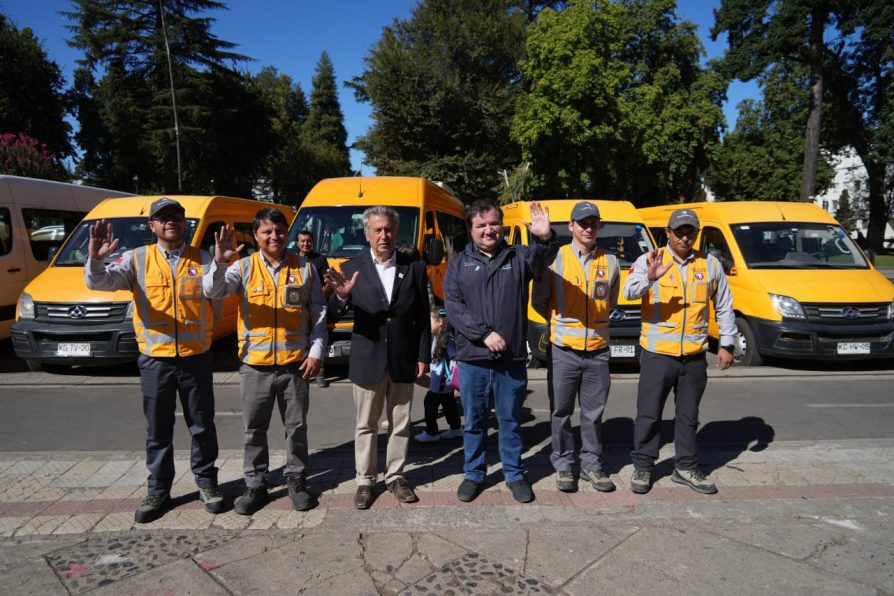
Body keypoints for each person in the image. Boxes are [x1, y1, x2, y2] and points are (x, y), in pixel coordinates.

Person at [85, 197, 223, 523]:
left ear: (185, 222)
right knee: (158, 430)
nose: (170, 221)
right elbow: (99, 282)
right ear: (152, 226)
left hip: (196, 358)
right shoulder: (136, 259)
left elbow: (216, 292)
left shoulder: (203, 258)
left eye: (175, 216)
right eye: (162, 217)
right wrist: (95, 259)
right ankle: (159, 489)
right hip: (155, 360)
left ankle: (207, 484)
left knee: (202, 426)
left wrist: (219, 264)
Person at [204, 208, 327, 514]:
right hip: (254, 365)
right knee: (253, 429)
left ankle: (296, 479)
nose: (274, 236)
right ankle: (256, 484)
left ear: (288, 232)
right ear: (256, 235)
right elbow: (213, 290)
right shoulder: (241, 268)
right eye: (267, 231)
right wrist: (219, 262)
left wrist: (316, 352)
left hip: (295, 364)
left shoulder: (305, 268)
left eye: (280, 230)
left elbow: (320, 313)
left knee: (296, 428)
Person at [443, 200, 557, 504]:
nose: (488, 230)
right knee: (474, 421)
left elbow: (544, 258)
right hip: (472, 358)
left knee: (509, 420)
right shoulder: (458, 263)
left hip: (511, 359)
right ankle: (474, 473)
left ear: (502, 226)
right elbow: (453, 307)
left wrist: (544, 237)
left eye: (493, 223)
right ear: (471, 229)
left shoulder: (519, 256)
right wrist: (483, 334)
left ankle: (515, 473)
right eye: (481, 225)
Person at [623, 208, 736, 495]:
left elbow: (723, 305)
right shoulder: (649, 259)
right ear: (668, 233)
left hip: (694, 356)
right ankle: (644, 466)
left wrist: (727, 344)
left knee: (688, 416)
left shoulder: (710, 264)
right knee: (649, 414)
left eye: (691, 232)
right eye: (680, 231)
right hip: (658, 354)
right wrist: (649, 278)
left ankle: (685, 467)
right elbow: (629, 292)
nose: (685, 237)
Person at [326, 206, 431, 510]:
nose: (383, 235)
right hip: (367, 357)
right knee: (366, 425)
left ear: (396, 232)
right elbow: (333, 312)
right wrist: (343, 295)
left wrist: (423, 355)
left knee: (400, 423)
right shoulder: (350, 266)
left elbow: (422, 316)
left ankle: (396, 476)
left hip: (403, 358)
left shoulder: (414, 266)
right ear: (367, 233)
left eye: (388, 229)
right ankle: (365, 480)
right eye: (377, 230)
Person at [536, 201, 619, 493]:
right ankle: (563, 466)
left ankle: (592, 466)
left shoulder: (611, 262)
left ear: (599, 226)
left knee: (593, 414)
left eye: (593, 223)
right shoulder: (555, 259)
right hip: (564, 351)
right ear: (571, 226)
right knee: (561, 412)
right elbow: (540, 301)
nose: (588, 228)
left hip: (597, 351)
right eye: (582, 223)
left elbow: (612, 302)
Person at [415, 307, 463, 443]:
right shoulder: (440, 337)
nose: (427, 323)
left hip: (441, 380)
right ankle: (456, 428)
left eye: (429, 320)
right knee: (448, 402)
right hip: (442, 379)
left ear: (440, 322)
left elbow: (455, 356)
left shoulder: (447, 339)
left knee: (430, 402)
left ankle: (432, 432)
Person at [295, 229, 333, 388]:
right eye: (302, 241)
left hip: (316, 306)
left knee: (318, 338)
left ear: (313, 242)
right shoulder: (292, 259)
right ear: (297, 243)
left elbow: (327, 284)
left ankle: (319, 372)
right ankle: (301, 370)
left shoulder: (320, 259)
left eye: (308, 241)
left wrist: (320, 295)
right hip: (298, 307)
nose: (305, 244)